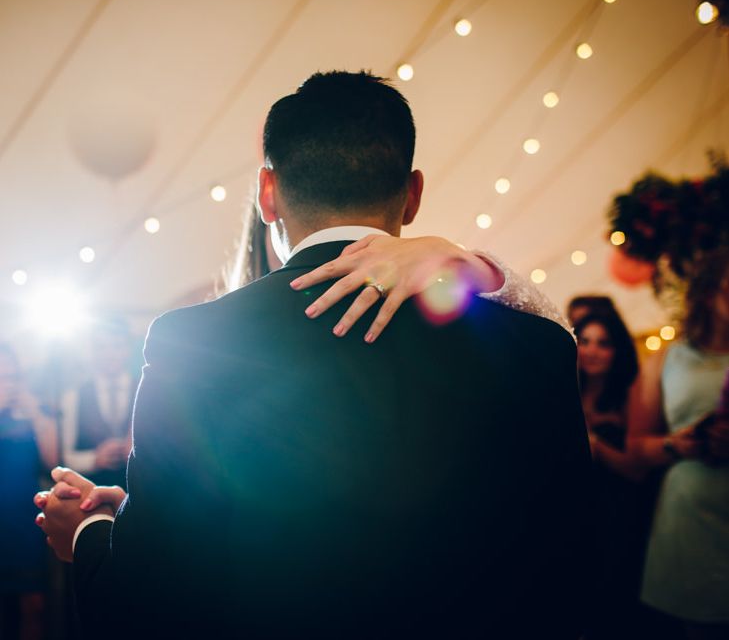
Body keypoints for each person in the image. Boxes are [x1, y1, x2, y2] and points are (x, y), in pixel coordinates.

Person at [35, 71, 593, 638]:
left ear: (267, 193)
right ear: (415, 192)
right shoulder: (536, 344)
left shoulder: (192, 341)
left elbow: (147, 597)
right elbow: (571, 567)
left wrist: (92, 532)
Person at [634, 251, 729, 639]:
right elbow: (636, 447)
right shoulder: (668, 358)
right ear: (709, 292)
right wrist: (677, 444)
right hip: (690, 516)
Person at [574, 314, 656, 639]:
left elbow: (637, 470)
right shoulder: (564, 388)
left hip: (616, 515)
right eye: (586, 340)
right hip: (574, 512)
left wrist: (596, 446)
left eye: (603, 343)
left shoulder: (631, 397)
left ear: (617, 350)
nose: (592, 350)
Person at [0, 344, 57, 640]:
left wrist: (35, 412)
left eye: (12, 377)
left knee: (33, 605)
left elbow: (52, 461)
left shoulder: (30, 416)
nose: (6, 384)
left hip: (24, 520)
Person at [60, 319, 137, 488]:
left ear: (129, 349)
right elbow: (65, 458)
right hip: (93, 493)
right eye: (101, 347)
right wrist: (95, 459)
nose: (109, 354)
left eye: (117, 346)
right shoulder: (73, 396)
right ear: (91, 351)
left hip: (141, 491)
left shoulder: (146, 391)